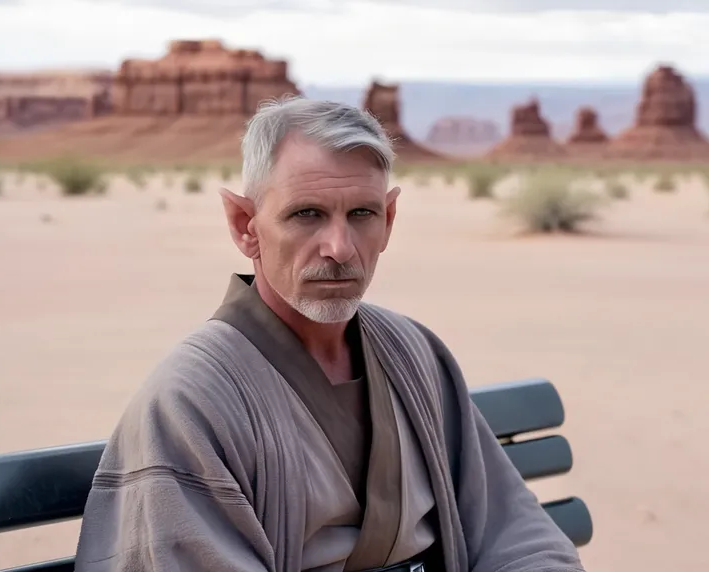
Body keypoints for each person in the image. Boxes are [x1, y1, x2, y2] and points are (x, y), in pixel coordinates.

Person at [74, 96, 585, 572]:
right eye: (307, 215)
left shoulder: (415, 353)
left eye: (361, 214)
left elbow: (515, 530)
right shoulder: (192, 400)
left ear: (388, 220)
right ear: (244, 225)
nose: (339, 247)